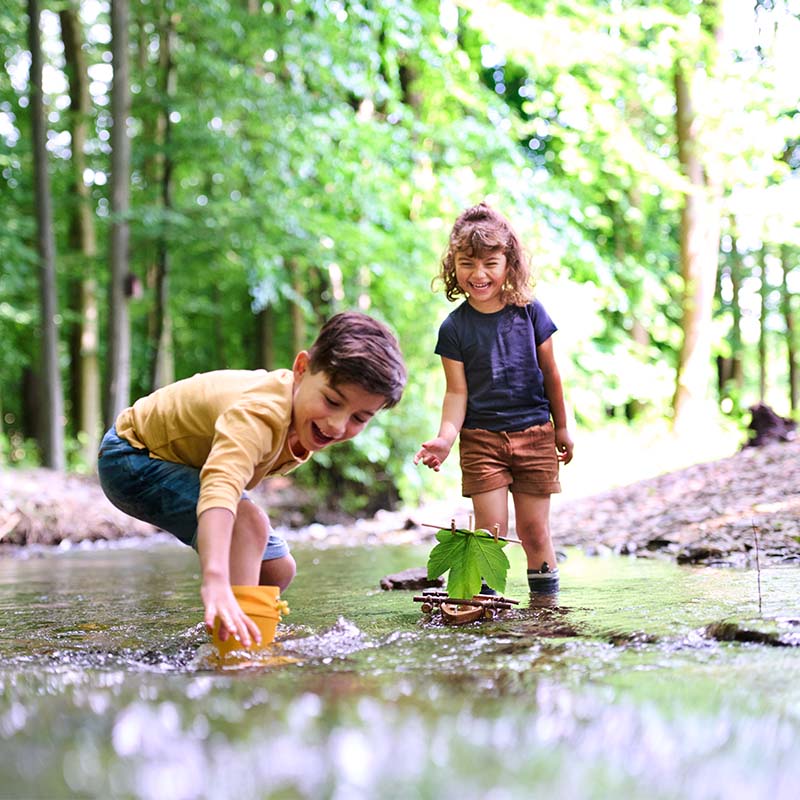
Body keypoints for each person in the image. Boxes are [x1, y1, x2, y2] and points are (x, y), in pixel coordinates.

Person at [98, 311, 406, 646]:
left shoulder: (305, 418)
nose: (337, 425)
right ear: (301, 369)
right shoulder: (260, 413)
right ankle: (238, 653)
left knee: (276, 570)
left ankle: (242, 625)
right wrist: (215, 579)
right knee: (250, 524)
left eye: (359, 417)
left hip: (169, 461)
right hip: (132, 456)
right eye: (332, 401)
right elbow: (221, 485)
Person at [414, 202, 573, 594]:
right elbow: (456, 391)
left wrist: (563, 427)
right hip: (481, 440)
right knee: (491, 534)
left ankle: (545, 613)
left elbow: (551, 373)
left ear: (509, 263)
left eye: (490, 263)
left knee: (535, 532)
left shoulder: (530, 313)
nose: (478, 274)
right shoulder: (454, 328)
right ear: (453, 265)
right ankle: (488, 615)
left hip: (535, 434)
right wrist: (445, 439)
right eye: (467, 263)